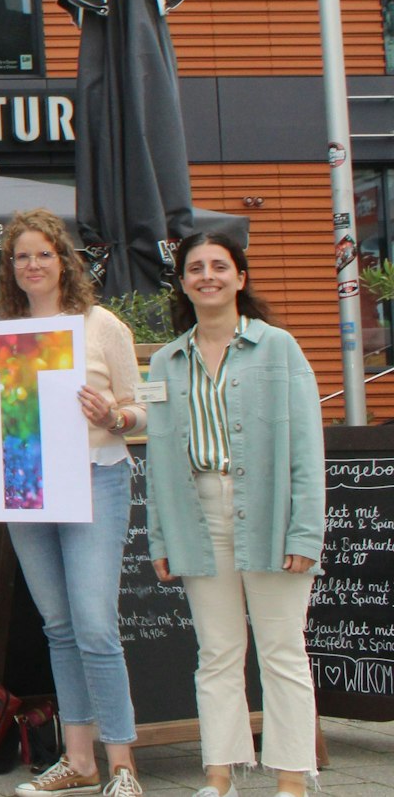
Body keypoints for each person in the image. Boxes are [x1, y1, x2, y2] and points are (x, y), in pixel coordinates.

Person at [145, 233, 323, 797]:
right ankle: (219, 775)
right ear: (182, 282)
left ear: (240, 278)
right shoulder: (167, 361)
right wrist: (158, 536)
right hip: (196, 515)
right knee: (217, 652)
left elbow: (306, 448)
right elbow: (159, 458)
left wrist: (304, 530)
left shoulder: (279, 348)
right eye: (195, 268)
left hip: (269, 514)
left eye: (219, 266)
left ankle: (292, 778)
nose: (207, 276)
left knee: (282, 649)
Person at [0, 211, 146, 797]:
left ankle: (124, 764)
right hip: (28, 487)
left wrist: (115, 415)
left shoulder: (100, 324)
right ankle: (79, 761)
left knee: (94, 625)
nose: (32, 265)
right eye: (21, 257)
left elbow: (140, 408)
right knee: (58, 626)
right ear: (11, 269)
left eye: (43, 254)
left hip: (94, 477)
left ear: (64, 260)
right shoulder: (3, 331)